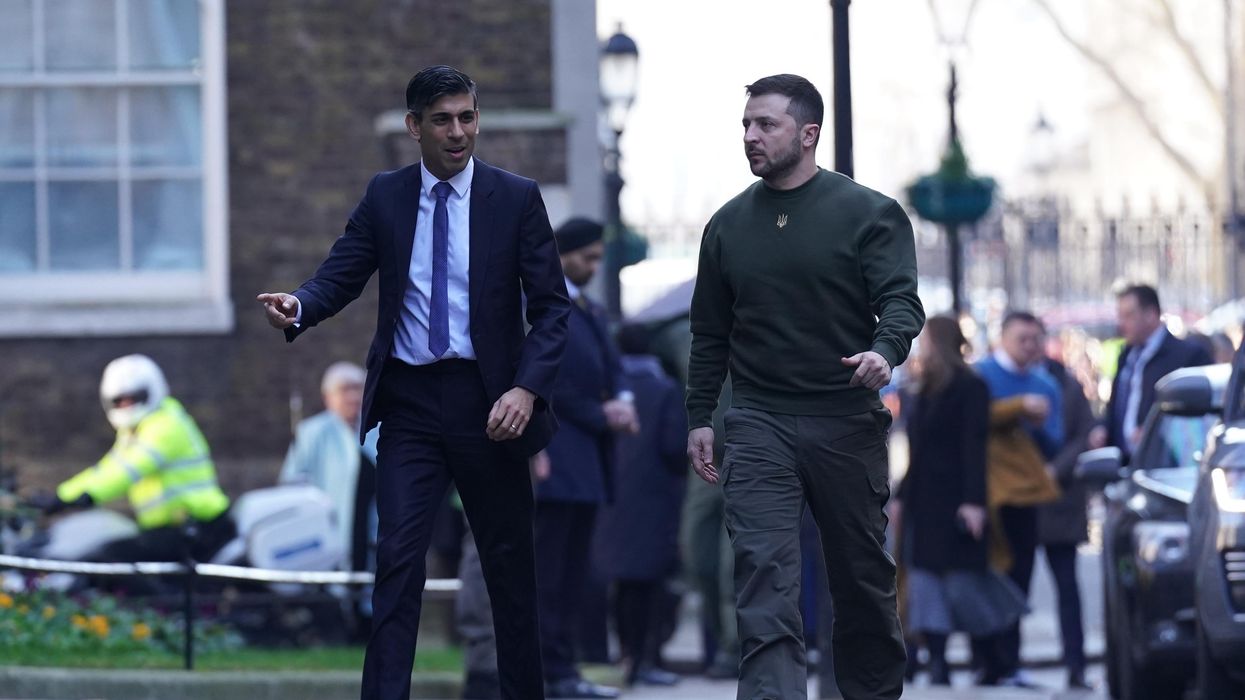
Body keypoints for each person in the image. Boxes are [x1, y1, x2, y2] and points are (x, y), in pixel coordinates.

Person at [256, 65, 570, 700]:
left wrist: (526, 388)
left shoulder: (515, 198)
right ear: (414, 127)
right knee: (397, 562)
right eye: (442, 120)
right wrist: (300, 304)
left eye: (467, 118)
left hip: (492, 404)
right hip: (411, 407)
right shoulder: (386, 196)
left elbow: (552, 309)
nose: (458, 132)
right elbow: (342, 273)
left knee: (510, 572)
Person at [685, 73, 924, 700]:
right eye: (746, 124)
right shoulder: (727, 226)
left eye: (766, 124)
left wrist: (884, 353)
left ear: (808, 133)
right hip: (757, 422)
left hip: (845, 421)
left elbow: (901, 301)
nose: (751, 136)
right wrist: (700, 416)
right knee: (763, 578)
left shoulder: (868, 213)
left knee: (861, 580)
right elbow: (709, 334)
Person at [534, 217, 636, 699]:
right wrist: (602, 412)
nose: (594, 266)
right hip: (555, 456)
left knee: (574, 573)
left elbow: (613, 367)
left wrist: (623, 401)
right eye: (587, 257)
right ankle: (550, 671)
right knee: (549, 575)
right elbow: (547, 380)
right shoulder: (540, 304)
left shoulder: (589, 310)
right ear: (563, 254)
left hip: (587, 462)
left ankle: (564, 667)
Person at [39, 354, 233, 564]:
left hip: (200, 528)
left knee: (110, 558)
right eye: (119, 401)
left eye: (134, 398)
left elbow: (128, 470)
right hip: (170, 530)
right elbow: (107, 469)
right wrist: (61, 496)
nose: (127, 406)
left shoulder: (166, 425)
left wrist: (88, 496)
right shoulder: (134, 432)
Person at [893, 316, 991, 686]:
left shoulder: (970, 387)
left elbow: (974, 447)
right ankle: (936, 660)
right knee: (925, 581)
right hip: (924, 502)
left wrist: (974, 501)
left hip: (955, 500)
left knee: (959, 582)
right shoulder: (923, 389)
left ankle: (977, 658)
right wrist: (901, 497)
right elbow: (917, 451)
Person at [593, 324, 687, 688]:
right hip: (654, 496)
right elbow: (674, 447)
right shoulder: (664, 388)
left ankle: (623, 654)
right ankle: (646, 657)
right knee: (648, 582)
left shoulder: (607, 385)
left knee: (619, 578)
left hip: (611, 493)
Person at [975, 311, 1063, 687]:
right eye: (1021, 339)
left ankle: (1009, 661)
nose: (1029, 346)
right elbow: (968, 428)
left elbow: (1054, 442)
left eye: (1035, 339)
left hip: (1024, 498)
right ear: (1003, 338)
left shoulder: (1046, 386)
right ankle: (987, 661)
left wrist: (1033, 425)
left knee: (1019, 579)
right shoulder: (979, 377)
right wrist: (1016, 409)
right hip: (983, 497)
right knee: (984, 578)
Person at [1036, 332, 1095, 691]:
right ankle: (1000, 664)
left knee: (1067, 588)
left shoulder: (1067, 385)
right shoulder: (1000, 380)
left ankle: (1076, 665)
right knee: (1012, 584)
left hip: (1060, 500)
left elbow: (1084, 434)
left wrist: (1056, 469)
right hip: (1019, 499)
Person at [1089, 284, 1212, 457]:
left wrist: (1155, 432)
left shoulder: (1187, 356)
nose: (1121, 324)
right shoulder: (1126, 356)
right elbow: (1116, 407)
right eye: (1120, 316)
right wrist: (1103, 428)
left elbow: (1200, 416)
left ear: (1151, 314)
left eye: (1129, 315)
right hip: (1125, 461)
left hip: (1167, 461)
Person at [280, 361, 379, 575]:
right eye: (344, 389)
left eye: (357, 389)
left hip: (369, 528)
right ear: (328, 397)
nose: (353, 397)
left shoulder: (376, 431)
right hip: (327, 531)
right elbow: (293, 483)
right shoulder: (311, 433)